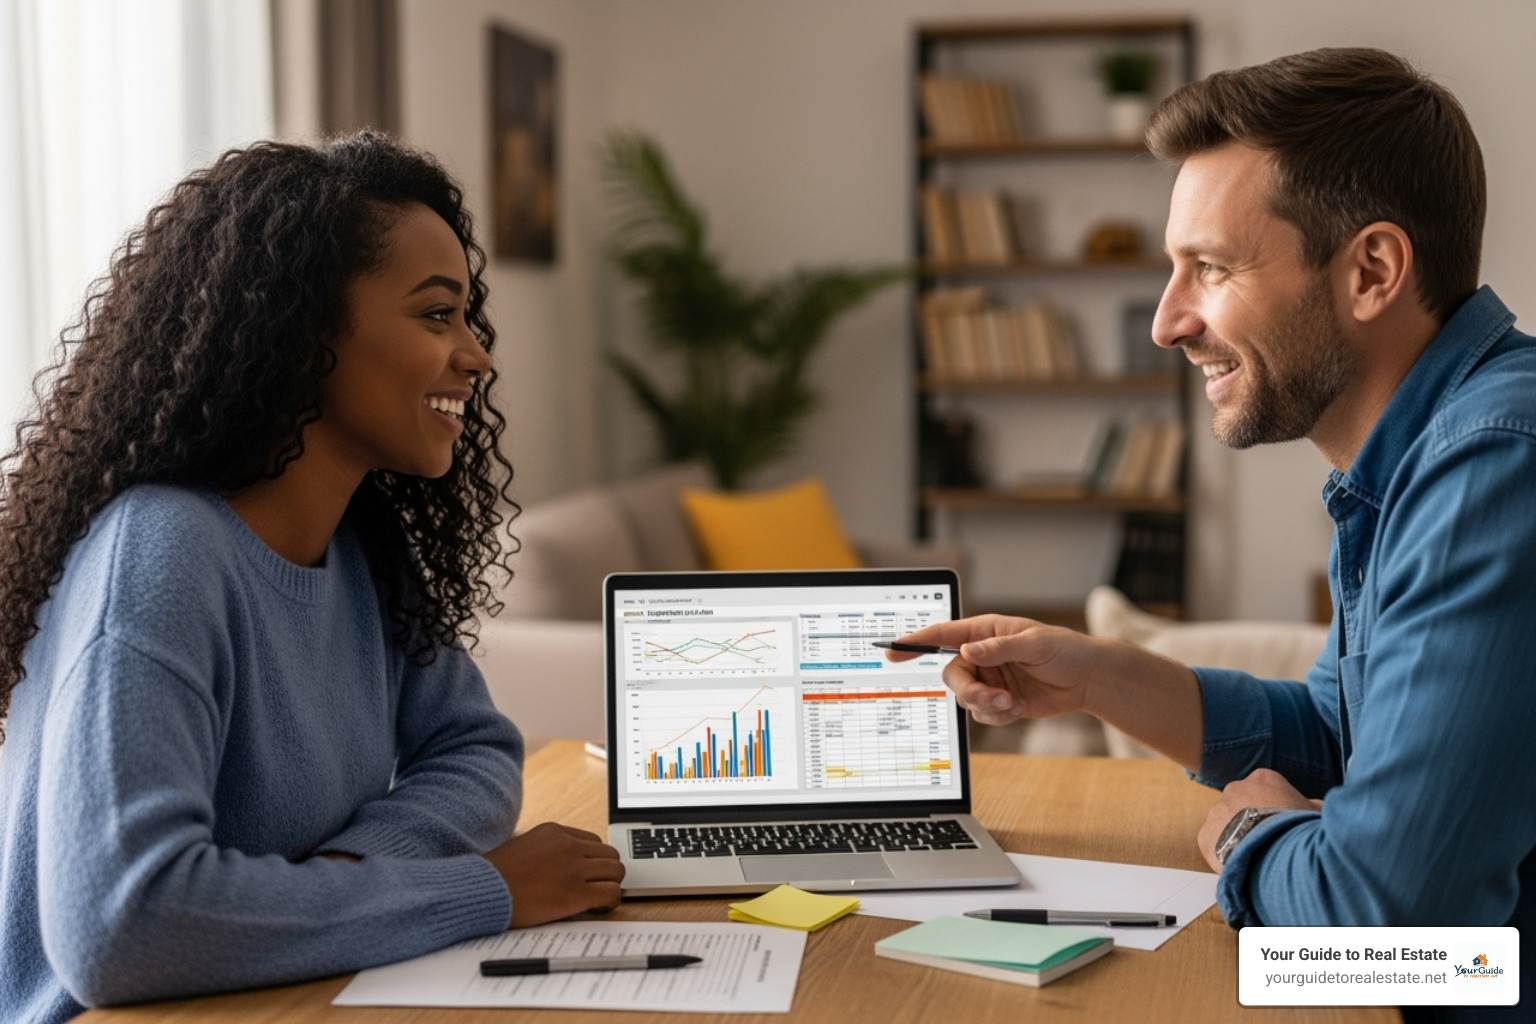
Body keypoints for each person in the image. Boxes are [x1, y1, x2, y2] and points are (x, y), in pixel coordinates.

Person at [895, 48, 1532, 1023]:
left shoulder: (1492, 465)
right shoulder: (1418, 455)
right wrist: (1104, 675)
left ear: (1371, 270)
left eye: (1211, 267)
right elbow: (1334, 735)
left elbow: (1391, 930)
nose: (1166, 321)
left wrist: (1246, 835)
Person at [0, 132, 623, 1024]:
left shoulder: (365, 547)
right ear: (300, 334)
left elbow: (477, 751)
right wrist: (479, 891)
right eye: (436, 315)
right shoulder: (162, 553)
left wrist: (345, 880)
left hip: (291, 993)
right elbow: (122, 924)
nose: (477, 356)